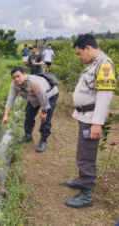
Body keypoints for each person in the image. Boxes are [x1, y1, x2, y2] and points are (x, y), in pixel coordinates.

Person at [63, 34, 117, 208]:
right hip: (86, 117)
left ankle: (86, 195)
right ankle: (82, 180)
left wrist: (97, 123)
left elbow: (104, 97)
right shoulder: (95, 64)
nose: (79, 57)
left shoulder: (105, 65)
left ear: (88, 48)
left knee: (86, 156)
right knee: (82, 152)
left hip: (92, 119)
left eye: (79, 54)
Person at [1, 67, 58, 152]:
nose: (16, 79)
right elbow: (10, 99)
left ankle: (43, 140)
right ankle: (28, 136)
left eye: (18, 76)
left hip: (49, 96)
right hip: (34, 98)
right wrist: (6, 115)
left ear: (24, 74)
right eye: (14, 77)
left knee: (45, 119)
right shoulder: (14, 84)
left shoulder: (34, 83)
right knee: (28, 115)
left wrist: (44, 112)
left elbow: (42, 97)